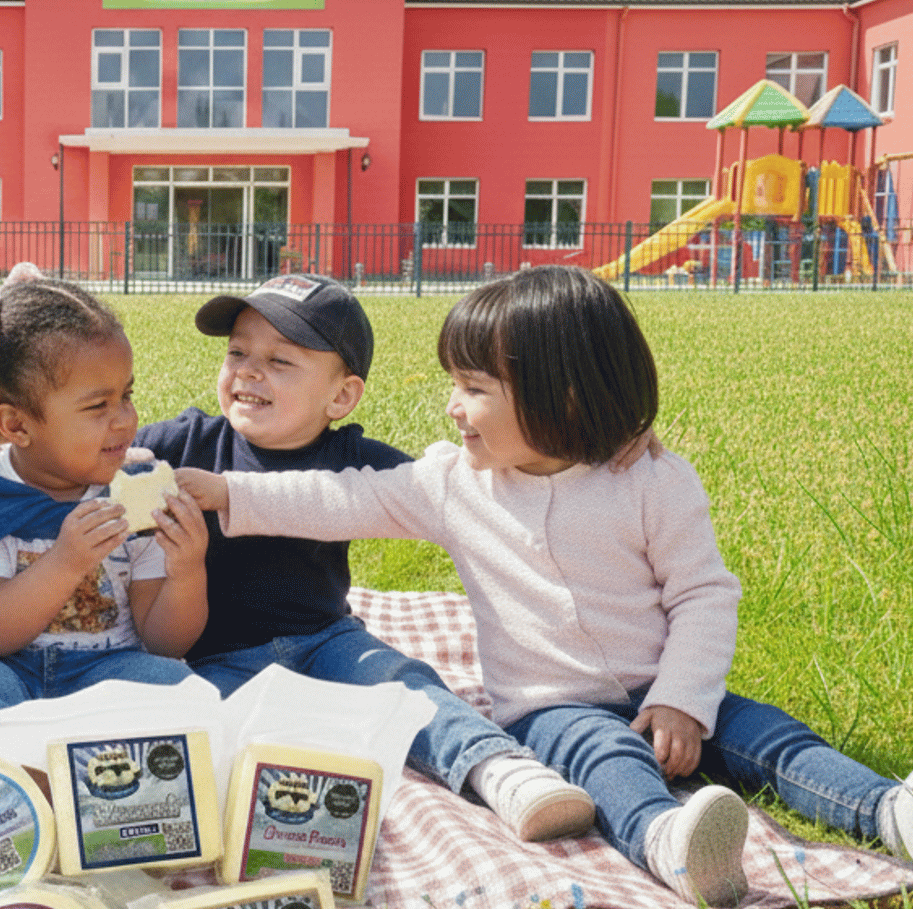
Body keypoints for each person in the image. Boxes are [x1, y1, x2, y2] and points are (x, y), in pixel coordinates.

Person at [178, 265, 913, 907]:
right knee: (609, 760)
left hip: (664, 681)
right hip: (551, 708)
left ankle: (889, 810)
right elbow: (338, 496)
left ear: (563, 396)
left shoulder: (651, 479)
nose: (451, 406)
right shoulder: (452, 482)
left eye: (473, 387)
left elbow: (704, 594)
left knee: (773, 738)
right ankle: (671, 842)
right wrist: (228, 493)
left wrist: (682, 700)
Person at [137, 275, 593, 842]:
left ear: (341, 396)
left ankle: (501, 771)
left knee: (403, 683)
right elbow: (93, 454)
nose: (249, 372)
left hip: (327, 638)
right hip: (218, 656)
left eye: (281, 361)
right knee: (221, 732)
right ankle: (291, 823)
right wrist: (8, 453)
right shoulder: (187, 443)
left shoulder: (353, 459)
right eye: (238, 352)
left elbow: (455, 482)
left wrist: (595, 449)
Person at [0, 264, 209, 743]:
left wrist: (187, 571)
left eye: (126, 396)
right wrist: (66, 562)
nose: (125, 420)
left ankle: (108, 787)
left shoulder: (136, 487)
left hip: (108, 666)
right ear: (17, 426)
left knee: (185, 694)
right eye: (97, 407)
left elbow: (164, 644)